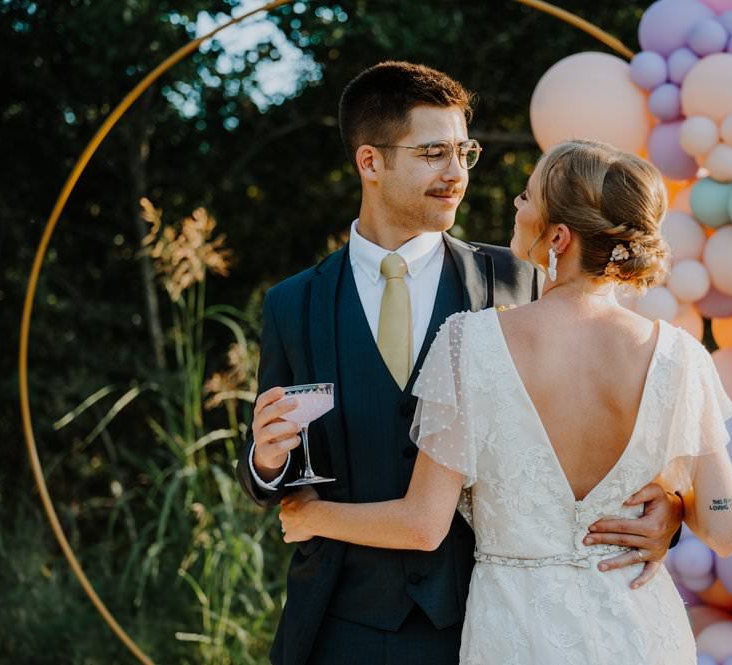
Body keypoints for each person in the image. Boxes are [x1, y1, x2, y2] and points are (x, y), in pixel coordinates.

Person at [236, 62, 686, 665]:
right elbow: (275, 476)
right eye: (432, 154)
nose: (457, 175)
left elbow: (602, 429)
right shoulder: (294, 304)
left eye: (462, 152)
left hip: (490, 620)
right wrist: (266, 462)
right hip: (340, 623)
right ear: (371, 162)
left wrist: (672, 509)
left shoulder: (521, 281)